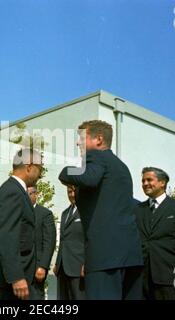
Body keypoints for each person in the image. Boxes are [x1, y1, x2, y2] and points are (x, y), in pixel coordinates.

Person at [59, 120, 143, 300]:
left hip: (105, 257)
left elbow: (90, 177)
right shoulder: (121, 167)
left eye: (82, 138)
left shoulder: (96, 157)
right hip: (130, 256)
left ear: (98, 140)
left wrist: (65, 171)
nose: (78, 143)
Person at [0, 148, 42, 300]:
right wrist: (16, 277)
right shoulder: (13, 191)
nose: (40, 174)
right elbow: (7, 235)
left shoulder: (16, 190)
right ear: (29, 166)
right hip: (6, 282)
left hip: (8, 279)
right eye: (40, 169)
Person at [135, 167, 175, 300]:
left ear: (162, 183)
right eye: (143, 180)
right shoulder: (138, 209)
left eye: (149, 180)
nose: (145, 183)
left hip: (169, 278)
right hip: (142, 279)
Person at [53, 185, 86, 300]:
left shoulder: (87, 211)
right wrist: (57, 263)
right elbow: (63, 240)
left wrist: (87, 262)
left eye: (74, 191)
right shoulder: (65, 213)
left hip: (78, 267)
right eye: (69, 192)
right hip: (62, 268)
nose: (72, 195)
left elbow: (90, 239)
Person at [27, 186, 56, 300]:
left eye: (30, 193)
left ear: (36, 194)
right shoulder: (18, 212)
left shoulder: (45, 214)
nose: (27, 196)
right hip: (20, 267)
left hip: (36, 268)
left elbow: (49, 242)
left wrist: (43, 266)